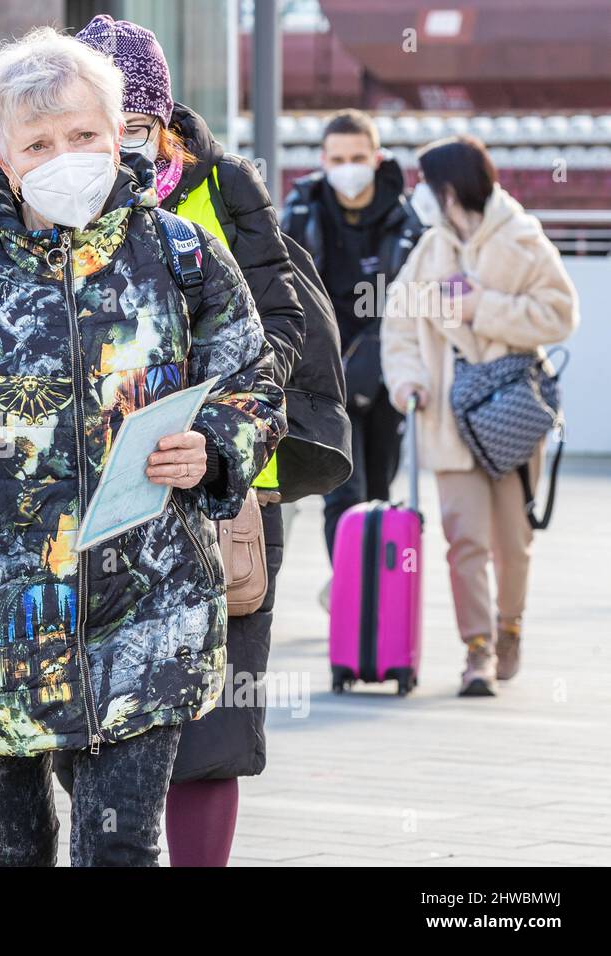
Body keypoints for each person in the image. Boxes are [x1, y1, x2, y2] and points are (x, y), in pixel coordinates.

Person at [0, 27, 285, 867]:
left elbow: (254, 380)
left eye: (83, 134)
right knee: (8, 851)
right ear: (2, 155)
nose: (65, 154)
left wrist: (217, 446)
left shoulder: (180, 254)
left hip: (147, 606)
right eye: (38, 141)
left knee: (120, 849)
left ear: (118, 136)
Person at [71, 13, 349, 867]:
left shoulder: (224, 192)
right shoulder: (37, 192)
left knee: (212, 726)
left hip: (218, 490)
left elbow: (280, 329)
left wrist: (211, 425)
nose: (119, 146)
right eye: (98, 124)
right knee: (80, 719)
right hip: (80, 502)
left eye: (135, 125)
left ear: (163, 119)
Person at [382, 136, 577, 696]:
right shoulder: (431, 250)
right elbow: (398, 323)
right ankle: (477, 650)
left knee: (512, 539)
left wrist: (480, 307)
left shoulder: (522, 240)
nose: (419, 195)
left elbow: (559, 316)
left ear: (451, 189)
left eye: (426, 185)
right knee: (463, 536)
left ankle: (509, 627)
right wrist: (407, 381)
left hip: (511, 415)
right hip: (447, 411)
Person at [280, 109, 423, 594]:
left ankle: (376, 594)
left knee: (380, 488)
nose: (348, 167)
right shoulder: (300, 213)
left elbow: (422, 299)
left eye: (358, 157)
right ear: (323, 160)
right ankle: (351, 591)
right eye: (338, 158)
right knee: (341, 488)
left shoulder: (406, 221)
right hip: (321, 376)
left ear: (377, 158)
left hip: (385, 374)